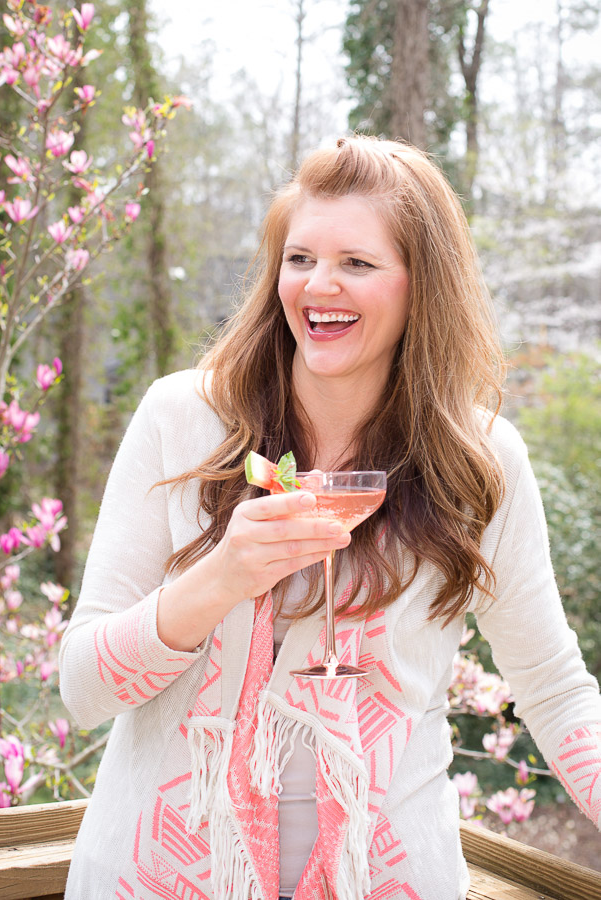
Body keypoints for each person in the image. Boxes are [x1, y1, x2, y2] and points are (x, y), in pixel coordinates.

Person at [59, 136, 601, 900]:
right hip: (156, 878)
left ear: (422, 287)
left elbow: (551, 687)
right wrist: (220, 579)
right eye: (300, 258)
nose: (319, 285)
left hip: (385, 880)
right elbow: (83, 689)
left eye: (356, 263)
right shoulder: (181, 419)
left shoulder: (481, 461)